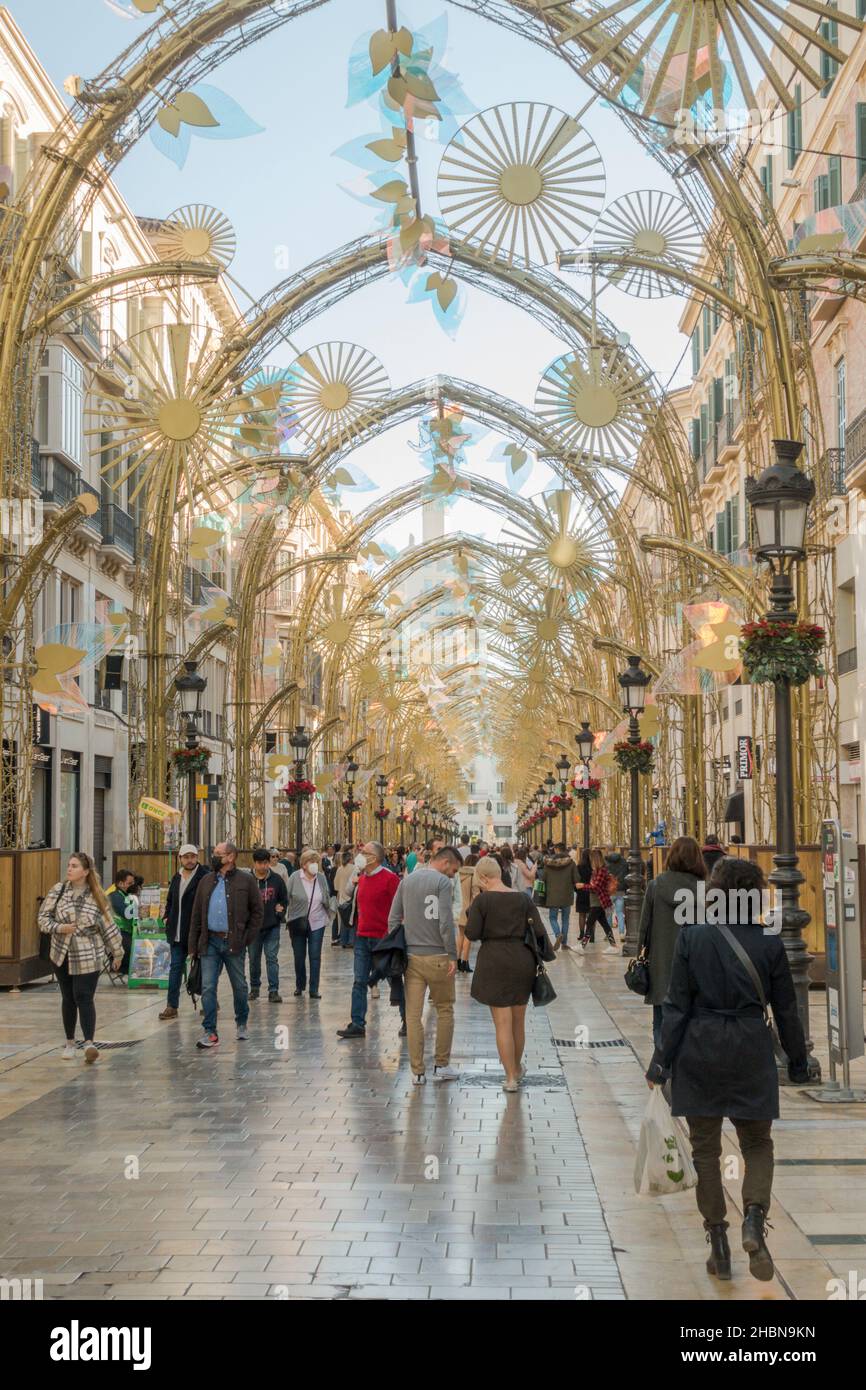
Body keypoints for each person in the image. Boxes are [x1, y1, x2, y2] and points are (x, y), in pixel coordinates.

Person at [647, 856, 809, 1283]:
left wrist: (661, 1061)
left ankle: (718, 1242)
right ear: (754, 895)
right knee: (757, 1143)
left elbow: (676, 1007)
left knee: (705, 1150)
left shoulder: (692, 937)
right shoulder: (770, 942)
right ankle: (754, 1218)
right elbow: (786, 1010)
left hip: (699, 1048)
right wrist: (797, 1058)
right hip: (750, 1048)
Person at [464, 856, 552, 1092]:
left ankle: (510, 1077)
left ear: (482, 877)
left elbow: (471, 933)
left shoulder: (483, 901)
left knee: (502, 1023)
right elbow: (540, 930)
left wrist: (473, 905)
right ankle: (516, 1068)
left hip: (493, 960)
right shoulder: (522, 898)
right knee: (518, 1022)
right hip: (521, 960)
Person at [38, 851, 124, 1063]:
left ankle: (88, 1043)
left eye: (75, 866)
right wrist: (60, 927)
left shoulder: (97, 896)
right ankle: (69, 1042)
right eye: (69, 865)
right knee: (68, 997)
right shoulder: (58, 891)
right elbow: (42, 918)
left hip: (88, 953)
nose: (69, 869)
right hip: (62, 953)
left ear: (86, 871)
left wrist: (117, 952)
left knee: (84, 996)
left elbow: (108, 927)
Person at [387, 845, 461, 1084]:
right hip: (439, 955)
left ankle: (417, 1071)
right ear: (446, 863)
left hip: (412, 957)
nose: (453, 875)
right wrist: (452, 954)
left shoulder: (406, 881)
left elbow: (393, 918)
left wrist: (399, 945)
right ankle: (441, 1065)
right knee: (445, 1009)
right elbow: (446, 922)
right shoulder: (443, 883)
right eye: (454, 870)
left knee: (413, 1014)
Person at [188, 841, 262, 1050]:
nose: (214, 856)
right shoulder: (205, 881)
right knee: (208, 986)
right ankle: (210, 1031)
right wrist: (193, 945)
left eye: (218, 853)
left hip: (234, 943)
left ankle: (241, 1022)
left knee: (239, 986)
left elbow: (257, 912)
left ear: (230, 857)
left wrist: (246, 937)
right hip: (209, 942)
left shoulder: (246, 881)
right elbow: (196, 914)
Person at [637, 835, 706, 1047]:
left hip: (662, 965)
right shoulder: (706, 890)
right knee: (692, 1021)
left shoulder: (656, 886)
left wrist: (641, 956)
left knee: (661, 1021)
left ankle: (662, 1068)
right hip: (696, 966)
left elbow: (644, 928)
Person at [337, 842, 401, 1038]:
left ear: (375, 858)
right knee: (359, 981)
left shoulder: (390, 879)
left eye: (365, 853)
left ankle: (407, 1020)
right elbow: (347, 894)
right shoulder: (361, 877)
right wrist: (355, 875)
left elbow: (400, 906)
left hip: (383, 939)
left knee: (394, 980)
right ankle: (357, 1023)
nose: (361, 855)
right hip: (362, 937)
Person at [160, 843, 208, 1020]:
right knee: (175, 968)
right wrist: (167, 916)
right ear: (180, 858)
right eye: (186, 857)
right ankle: (172, 1005)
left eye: (193, 856)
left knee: (204, 968)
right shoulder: (177, 877)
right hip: (177, 933)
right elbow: (170, 901)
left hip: (197, 932)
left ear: (197, 857)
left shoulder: (205, 876)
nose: (190, 860)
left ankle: (208, 1001)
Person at [285, 847, 333, 998]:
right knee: (299, 956)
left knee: (315, 955)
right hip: (298, 922)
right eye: (312, 862)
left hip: (317, 922)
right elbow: (287, 897)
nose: (315, 865)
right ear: (304, 864)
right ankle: (300, 985)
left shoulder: (321, 878)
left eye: (316, 862)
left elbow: (327, 895)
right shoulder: (294, 877)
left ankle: (314, 988)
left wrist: (330, 908)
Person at [249, 847, 288, 1001]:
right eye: (260, 863)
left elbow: (283, 898)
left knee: (272, 958)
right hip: (253, 928)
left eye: (266, 863)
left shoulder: (276, 880)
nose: (263, 866)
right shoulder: (248, 880)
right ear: (254, 863)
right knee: (253, 959)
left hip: (272, 925)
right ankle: (254, 988)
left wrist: (280, 912)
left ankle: (273, 990)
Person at [539, 841, 579, 950]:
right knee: (565, 919)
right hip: (567, 894)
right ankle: (564, 943)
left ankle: (557, 934)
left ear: (556, 850)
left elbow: (543, 879)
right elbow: (576, 879)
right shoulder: (571, 863)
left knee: (552, 918)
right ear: (565, 849)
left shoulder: (548, 863)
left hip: (552, 895)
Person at [583, 848, 619, 951]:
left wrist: (583, 886)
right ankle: (613, 945)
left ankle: (583, 945)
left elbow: (596, 887)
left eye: (591, 859)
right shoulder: (596, 871)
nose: (590, 862)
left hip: (598, 902)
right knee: (604, 924)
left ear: (595, 859)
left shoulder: (601, 871)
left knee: (589, 922)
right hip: (596, 901)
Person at [456, 851, 479, 973]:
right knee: (468, 937)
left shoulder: (458, 874)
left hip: (459, 908)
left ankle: (457, 960)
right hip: (469, 909)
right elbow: (476, 894)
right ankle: (465, 962)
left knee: (460, 935)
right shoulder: (474, 875)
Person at [333, 848, 356, 949]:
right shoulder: (354, 868)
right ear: (350, 859)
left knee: (343, 920)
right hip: (350, 897)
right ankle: (351, 940)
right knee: (351, 919)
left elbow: (336, 885)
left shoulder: (339, 868)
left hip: (341, 897)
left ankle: (343, 940)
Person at [605, 846, 628, 939]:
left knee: (609, 913)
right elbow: (627, 874)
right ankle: (622, 933)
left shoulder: (605, 862)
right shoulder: (623, 861)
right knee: (619, 912)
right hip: (621, 890)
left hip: (609, 891)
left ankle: (609, 934)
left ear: (607, 850)